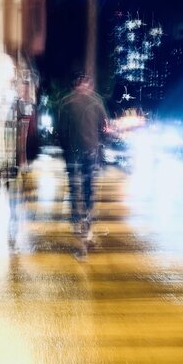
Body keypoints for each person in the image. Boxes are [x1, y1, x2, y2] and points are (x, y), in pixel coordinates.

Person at [57, 73, 108, 256]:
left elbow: (61, 130)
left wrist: (65, 149)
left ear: (75, 85)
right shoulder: (97, 101)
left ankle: (76, 221)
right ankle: (87, 221)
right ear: (89, 84)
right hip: (90, 152)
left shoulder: (66, 102)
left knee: (74, 188)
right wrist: (98, 145)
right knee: (88, 187)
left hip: (72, 153)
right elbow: (104, 127)